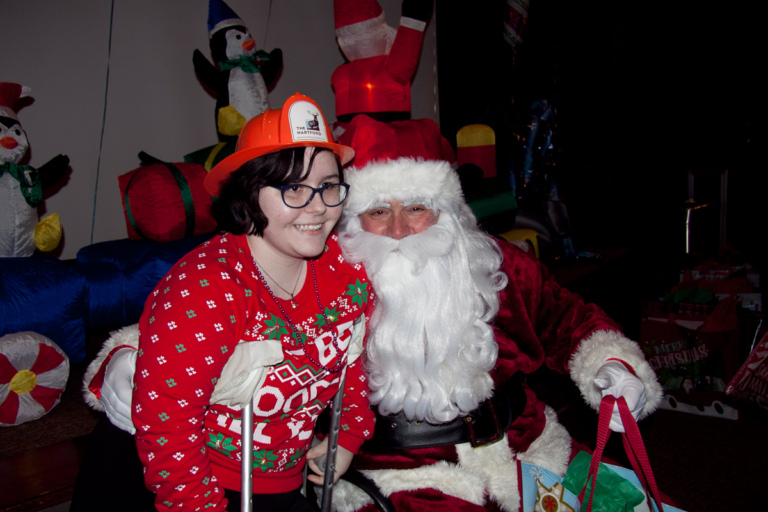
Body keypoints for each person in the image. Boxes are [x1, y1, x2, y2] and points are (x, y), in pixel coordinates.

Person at [88, 138, 663, 512]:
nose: (399, 229)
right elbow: (219, 319)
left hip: (528, 449)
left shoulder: (489, 261)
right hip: (396, 476)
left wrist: (613, 363)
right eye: (377, 211)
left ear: (448, 211)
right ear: (351, 217)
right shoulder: (333, 267)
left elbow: (568, 318)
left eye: (418, 206)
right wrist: (125, 357)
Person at [74, 93, 375, 512]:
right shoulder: (207, 287)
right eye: (293, 188)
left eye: (328, 187)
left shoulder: (346, 269)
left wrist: (348, 433)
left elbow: (350, 356)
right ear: (249, 193)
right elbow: (169, 428)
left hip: (277, 479)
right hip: (183, 477)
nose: (318, 207)